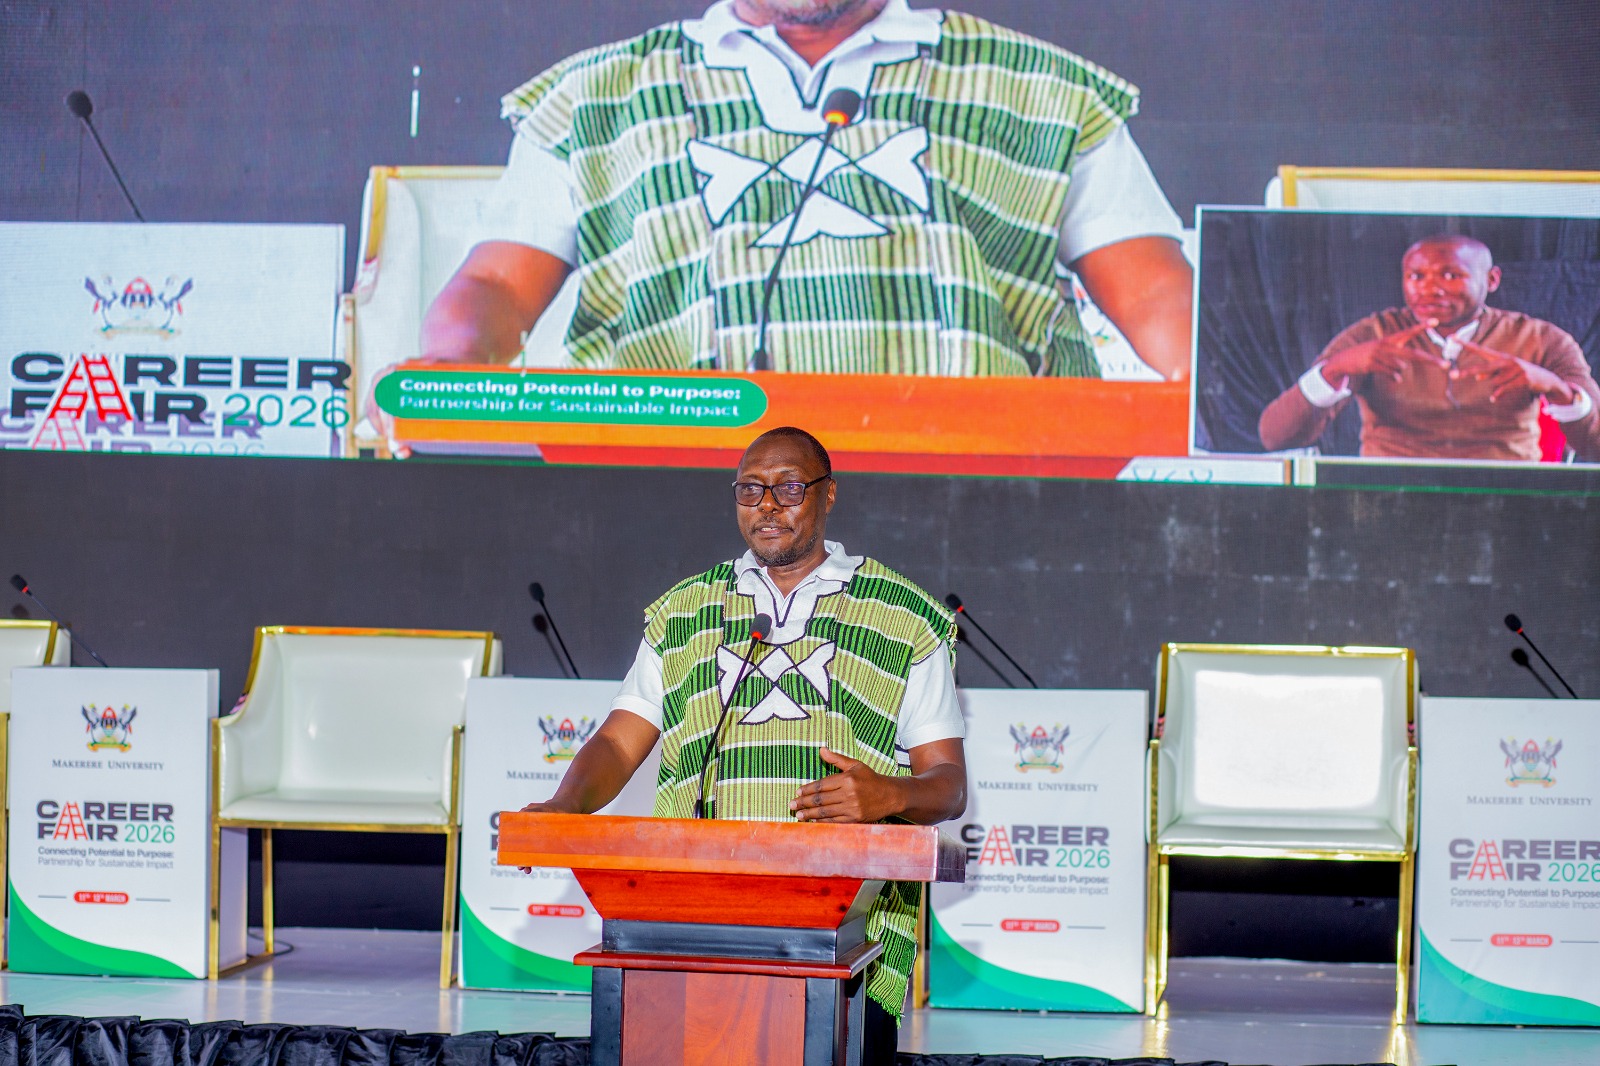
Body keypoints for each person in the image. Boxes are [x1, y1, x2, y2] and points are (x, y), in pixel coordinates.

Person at [409, 0, 1191, 386]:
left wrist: (1242, 396)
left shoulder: (1045, 91)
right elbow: (496, 287)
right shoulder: (594, 97)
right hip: (663, 525)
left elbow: (1156, 294)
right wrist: (445, 366)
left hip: (987, 527)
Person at [521, 425, 966, 1060]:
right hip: (689, 919)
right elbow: (619, 743)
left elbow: (948, 785)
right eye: (750, 489)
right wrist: (566, 808)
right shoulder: (685, 611)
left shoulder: (905, 616)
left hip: (842, 927)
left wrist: (887, 795)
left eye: (789, 488)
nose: (768, 505)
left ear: (828, 494)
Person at [1257, 234, 1600, 462]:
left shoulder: (1542, 339)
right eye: (1416, 277)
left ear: (1491, 280)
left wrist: (1556, 389)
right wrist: (1334, 371)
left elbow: (1596, 446)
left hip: (1505, 502)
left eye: (1450, 276)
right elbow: (1274, 437)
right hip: (1391, 500)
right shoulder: (1373, 334)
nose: (1430, 289)